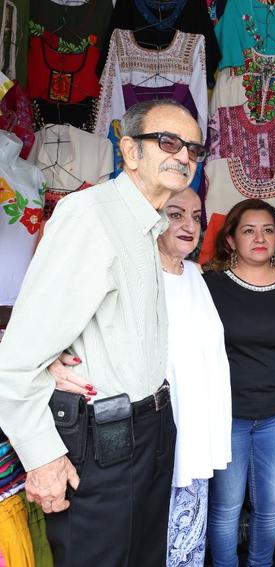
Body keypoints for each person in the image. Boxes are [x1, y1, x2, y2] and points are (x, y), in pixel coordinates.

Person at [0, 98, 206, 566]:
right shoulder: (90, 216)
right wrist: (43, 458)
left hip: (151, 431)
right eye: (168, 142)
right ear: (130, 151)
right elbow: (15, 361)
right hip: (102, 444)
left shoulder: (145, 224)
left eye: (193, 148)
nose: (184, 156)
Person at [50, 188, 233, 567]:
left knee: (185, 544)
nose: (188, 224)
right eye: (175, 213)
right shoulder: (134, 272)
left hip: (193, 434)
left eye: (196, 216)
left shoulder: (198, 276)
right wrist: (53, 359)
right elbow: (67, 322)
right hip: (146, 434)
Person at [202, 199, 275, 567]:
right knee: (226, 509)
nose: (260, 238)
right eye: (249, 230)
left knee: (271, 508)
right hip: (228, 417)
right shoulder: (209, 284)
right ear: (230, 240)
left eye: (268, 230)